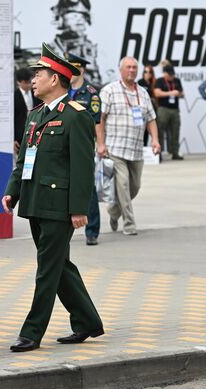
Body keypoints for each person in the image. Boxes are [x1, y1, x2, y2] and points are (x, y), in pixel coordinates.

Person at [2, 43, 104, 352]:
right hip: (35, 202)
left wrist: (78, 209)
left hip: (60, 207)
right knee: (59, 266)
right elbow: (24, 160)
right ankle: (87, 321)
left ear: (56, 79)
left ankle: (32, 332)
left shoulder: (76, 116)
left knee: (47, 269)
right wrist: (12, 191)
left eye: (39, 74)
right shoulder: (35, 115)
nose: (33, 80)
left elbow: (83, 167)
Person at [96, 56, 161, 236]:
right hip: (114, 149)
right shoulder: (109, 90)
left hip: (136, 149)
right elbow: (99, 119)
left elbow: (151, 118)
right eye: (128, 67)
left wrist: (155, 140)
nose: (132, 70)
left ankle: (113, 211)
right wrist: (100, 144)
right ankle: (129, 223)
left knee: (135, 187)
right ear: (121, 70)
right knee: (123, 185)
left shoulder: (143, 93)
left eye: (134, 67)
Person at [66, 52, 101, 246]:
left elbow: (97, 122)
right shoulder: (62, 90)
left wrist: (100, 144)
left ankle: (92, 230)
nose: (72, 71)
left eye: (75, 68)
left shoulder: (91, 93)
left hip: (83, 146)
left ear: (82, 69)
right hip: (63, 146)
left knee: (88, 187)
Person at [51, 0, 101, 86]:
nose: (79, 18)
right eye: (74, 13)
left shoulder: (94, 50)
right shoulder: (50, 50)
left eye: (83, 14)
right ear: (60, 17)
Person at [154, 63, 184, 160]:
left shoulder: (177, 81)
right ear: (165, 73)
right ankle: (159, 153)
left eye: (172, 74)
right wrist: (170, 93)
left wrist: (178, 93)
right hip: (163, 109)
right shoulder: (159, 81)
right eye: (170, 74)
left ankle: (175, 152)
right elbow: (157, 93)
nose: (172, 76)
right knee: (160, 131)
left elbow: (182, 94)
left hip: (174, 109)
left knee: (175, 131)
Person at [14, 68, 39, 155]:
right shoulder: (14, 97)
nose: (29, 85)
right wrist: (13, 139)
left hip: (35, 133)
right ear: (20, 82)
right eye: (27, 82)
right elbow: (12, 120)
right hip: (20, 135)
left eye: (30, 82)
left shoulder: (36, 93)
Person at [137, 65, 156, 146]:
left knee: (150, 129)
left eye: (149, 72)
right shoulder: (140, 82)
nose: (147, 74)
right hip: (140, 109)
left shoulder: (154, 83)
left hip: (151, 109)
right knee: (141, 130)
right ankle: (141, 147)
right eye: (145, 72)